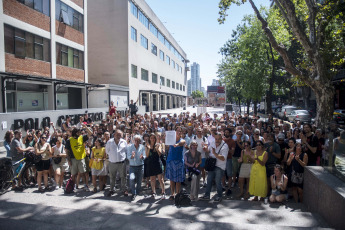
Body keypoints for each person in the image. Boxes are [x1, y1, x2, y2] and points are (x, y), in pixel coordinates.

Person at [200, 132, 229, 202]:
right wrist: (205, 148)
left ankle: (219, 196)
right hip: (212, 165)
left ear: (222, 138)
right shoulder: (213, 143)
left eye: (219, 139)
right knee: (209, 180)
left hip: (219, 166)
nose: (217, 140)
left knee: (218, 181)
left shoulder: (225, 146)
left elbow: (223, 158)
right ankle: (207, 195)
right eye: (216, 139)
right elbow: (208, 150)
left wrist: (215, 153)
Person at [66, 125, 93, 192]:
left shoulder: (82, 137)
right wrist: (69, 160)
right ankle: (73, 186)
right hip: (73, 159)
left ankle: (85, 185)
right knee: (74, 174)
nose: (80, 133)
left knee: (83, 173)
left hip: (81, 158)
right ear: (76, 132)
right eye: (79, 132)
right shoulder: (69, 140)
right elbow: (67, 151)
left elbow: (90, 133)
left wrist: (85, 127)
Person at [106, 129, 128, 197]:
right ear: (114, 134)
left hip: (122, 163)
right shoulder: (109, 142)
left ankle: (124, 189)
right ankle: (112, 189)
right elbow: (107, 151)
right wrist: (113, 156)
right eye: (117, 134)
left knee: (123, 177)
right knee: (112, 177)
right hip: (112, 162)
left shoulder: (124, 142)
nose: (119, 136)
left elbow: (126, 151)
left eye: (120, 135)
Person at [165, 127, 186, 201]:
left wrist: (177, 144)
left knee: (178, 180)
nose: (179, 132)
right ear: (175, 131)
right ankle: (172, 194)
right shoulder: (171, 140)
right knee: (172, 179)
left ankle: (178, 194)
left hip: (179, 161)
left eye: (180, 131)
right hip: (171, 161)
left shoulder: (182, 140)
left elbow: (182, 143)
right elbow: (167, 147)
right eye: (177, 131)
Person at [145, 133, 165, 198]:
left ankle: (163, 192)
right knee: (152, 179)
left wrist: (157, 148)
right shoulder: (147, 146)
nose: (153, 139)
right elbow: (147, 155)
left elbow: (160, 154)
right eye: (151, 138)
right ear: (149, 139)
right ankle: (153, 192)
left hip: (157, 163)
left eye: (154, 138)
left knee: (160, 179)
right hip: (151, 163)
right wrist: (148, 148)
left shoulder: (158, 145)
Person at [127, 135, 145, 200]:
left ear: (140, 141)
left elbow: (144, 156)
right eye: (136, 140)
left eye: (138, 140)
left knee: (139, 181)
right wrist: (132, 156)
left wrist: (142, 157)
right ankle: (133, 193)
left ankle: (137, 192)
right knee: (132, 178)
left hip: (140, 166)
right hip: (132, 166)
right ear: (133, 141)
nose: (137, 142)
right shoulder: (130, 147)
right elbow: (128, 156)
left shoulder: (142, 147)